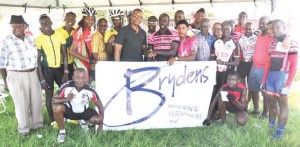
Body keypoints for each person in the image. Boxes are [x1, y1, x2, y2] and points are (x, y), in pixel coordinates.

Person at [0, 15, 43, 135]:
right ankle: (24, 129)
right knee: (21, 103)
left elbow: (37, 58)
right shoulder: (6, 41)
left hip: (33, 73)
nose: (17, 28)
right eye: (14, 25)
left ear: (25, 27)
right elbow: (2, 65)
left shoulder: (31, 38)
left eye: (20, 25)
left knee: (37, 100)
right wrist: (6, 82)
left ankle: (37, 125)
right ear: (11, 27)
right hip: (16, 75)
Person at [261, 19, 298, 140]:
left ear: (284, 28)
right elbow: (268, 63)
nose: (274, 31)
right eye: (272, 28)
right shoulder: (271, 44)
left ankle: (279, 133)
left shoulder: (291, 42)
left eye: (277, 28)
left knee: (283, 106)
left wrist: (287, 85)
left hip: (282, 78)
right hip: (271, 77)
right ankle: (271, 126)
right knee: (272, 104)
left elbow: (294, 66)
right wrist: (263, 80)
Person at [53, 68, 104, 143]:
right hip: (70, 112)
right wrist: (66, 99)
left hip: (84, 112)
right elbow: (54, 100)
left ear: (86, 78)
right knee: (57, 108)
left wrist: (101, 125)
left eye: (83, 78)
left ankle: (84, 121)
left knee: (98, 119)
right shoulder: (67, 86)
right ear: (73, 78)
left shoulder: (90, 90)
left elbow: (101, 107)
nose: (80, 80)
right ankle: (62, 132)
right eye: (77, 77)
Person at [36, 14, 68, 127]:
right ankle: (52, 120)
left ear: (51, 22)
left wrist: (66, 71)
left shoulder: (60, 35)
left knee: (66, 91)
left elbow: (65, 55)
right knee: (49, 95)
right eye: (42, 23)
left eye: (47, 22)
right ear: (40, 25)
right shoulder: (39, 38)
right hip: (47, 69)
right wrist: (41, 78)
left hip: (59, 69)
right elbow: (38, 60)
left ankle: (67, 116)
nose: (45, 25)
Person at [210, 20, 240, 110]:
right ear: (221, 30)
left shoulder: (235, 44)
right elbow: (212, 58)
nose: (225, 30)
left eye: (228, 28)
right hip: (215, 72)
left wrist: (224, 63)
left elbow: (237, 62)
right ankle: (214, 110)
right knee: (214, 91)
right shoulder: (216, 42)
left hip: (227, 73)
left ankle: (222, 111)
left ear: (231, 29)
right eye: (223, 28)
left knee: (224, 92)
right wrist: (215, 61)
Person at [70, 7, 97, 82]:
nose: (90, 21)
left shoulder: (88, 30)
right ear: (83, 19)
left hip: (88, 63)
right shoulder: (80, 30)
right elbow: (72, 51)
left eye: (92, 19)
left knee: (87, 85)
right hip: (80, 63)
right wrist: (88, 60)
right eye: (88, 19)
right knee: (82, 85)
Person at [56, 12, 77, 80]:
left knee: (73, 82)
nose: (70, 21)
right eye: (68, 18)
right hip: (61, 63)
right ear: (65, 19)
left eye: (72, 19)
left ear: (75, 21)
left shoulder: (76, 31)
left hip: (74, 62)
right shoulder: (57, 31)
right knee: (63, 83)